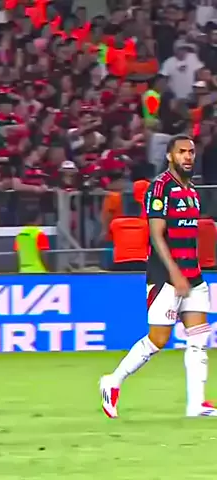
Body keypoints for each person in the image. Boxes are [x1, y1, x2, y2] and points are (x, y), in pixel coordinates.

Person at [100, 134, 217, 418]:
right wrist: (175, 273)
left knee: (198, 338)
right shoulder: (160, 187)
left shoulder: (192, 191)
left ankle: (196, 404)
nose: (187, 156)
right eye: (182, 152)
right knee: (158, 340)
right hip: (165, 275)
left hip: (193, 275)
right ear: (169, 156)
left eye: (191, 152)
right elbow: (156, 234)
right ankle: (112, 381)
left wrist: (191, 271)